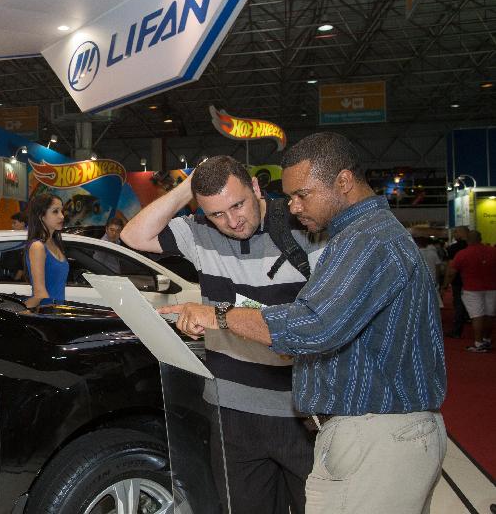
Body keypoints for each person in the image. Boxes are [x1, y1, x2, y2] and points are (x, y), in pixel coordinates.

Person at [160, 132, 446, 514]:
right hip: (369, 428)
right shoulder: (357, 237)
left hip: (380, 432)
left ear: (343, 182)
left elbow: (312, 326)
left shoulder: (369, 240)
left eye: (302, 195)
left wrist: (218, 315)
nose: (292, 206)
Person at [122, 155, 323, 514]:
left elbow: (321, 320)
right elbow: (133, 235)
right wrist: (189, 185)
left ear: (256, 187)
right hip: (232, 412)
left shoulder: (301, 226)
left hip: (302, 412)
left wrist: (217, 316)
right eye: (216, 213)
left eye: (238, 204)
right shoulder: (201, 233)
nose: (232, 221)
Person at [443, 229, 495, 352]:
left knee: (477, 315)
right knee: (489, 315)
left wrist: (445, 285)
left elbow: (451, 272)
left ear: (468, 240)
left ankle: (478, 343)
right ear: (480, 238)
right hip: (492, 288)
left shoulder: (463, 254)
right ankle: (487, 339)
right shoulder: (493, 251)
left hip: (472, 289)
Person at [24, 193, 69, 308]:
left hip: (57, 313)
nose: (62, 216)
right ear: (41, 216)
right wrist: (17, 312)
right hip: (45, 316)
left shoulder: (55, 244)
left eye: (61, 211)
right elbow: (40, 294)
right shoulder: (38, 247)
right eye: (55, 211)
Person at [444, 225, 470, 338]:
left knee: (458, 304)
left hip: (458, 281)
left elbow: (451, 268)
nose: (454, 234)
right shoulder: (472, 246)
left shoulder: (453, 248)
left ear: (461, 233)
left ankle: (457, 330)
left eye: (455, 232)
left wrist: (446, 283)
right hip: (473, 282)